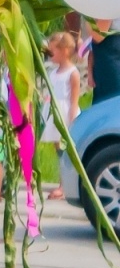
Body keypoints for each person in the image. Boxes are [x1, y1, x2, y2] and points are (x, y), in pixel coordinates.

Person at [39, 30, 81, 200]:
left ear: (65, 51)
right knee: (58, 150)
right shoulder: (52, 72)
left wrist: (71, 122)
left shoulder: (73, 73)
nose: (50, 54)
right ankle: (62, 183)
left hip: (65, 113)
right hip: (54, 112)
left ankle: (65, 186)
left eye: (53, 50)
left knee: (66, 150)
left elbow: (74, 100)